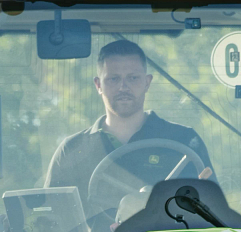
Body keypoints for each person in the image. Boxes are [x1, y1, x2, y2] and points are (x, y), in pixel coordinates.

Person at [44, 39, 212, 197]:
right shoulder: (72, 150)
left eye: (133, 78)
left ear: (147, 82)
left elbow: (210, 211)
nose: (123, 87)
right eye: (113, 79)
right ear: (98, 85)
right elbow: (52, 218)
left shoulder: (185, 141)